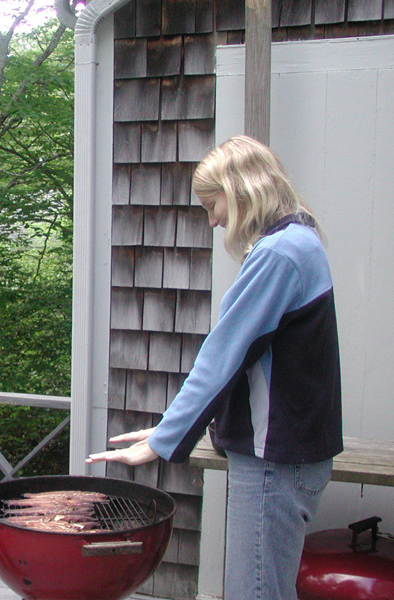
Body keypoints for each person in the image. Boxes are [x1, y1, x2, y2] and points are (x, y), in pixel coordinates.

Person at [86, 135, 342, 600]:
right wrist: (166, 429)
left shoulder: (279, 254)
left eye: (212, 204)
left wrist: (163, 440)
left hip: (273, 464)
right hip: (288, 459)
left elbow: (223, 358)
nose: (213, 220)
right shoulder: (298, 242)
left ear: (241, 189)